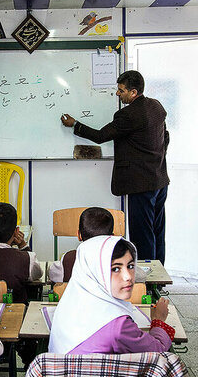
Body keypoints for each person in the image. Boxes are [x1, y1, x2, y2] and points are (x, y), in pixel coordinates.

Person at [61, 70, 169, 263]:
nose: (117, 94)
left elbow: (101, 136)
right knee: (157, 230)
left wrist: (75, 124)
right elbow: (165, 137)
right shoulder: (156, 106)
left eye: (121, 90)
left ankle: (145, 281)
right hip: (160, 180)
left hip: (141, 185)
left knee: (142, 235)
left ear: (133, 92)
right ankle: (158, 279)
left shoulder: (129, 115)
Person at [48, 236, 174, 354]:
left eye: (130, 266)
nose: (128, 277)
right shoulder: (118, 326)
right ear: (96, 271)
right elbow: (158, 351)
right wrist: (158, 319)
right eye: (115, 269)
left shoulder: (68, 303)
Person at [48, 207, 148, 284]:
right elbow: (141, 276)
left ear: (79, 235)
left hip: (79, 310)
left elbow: (51, 274)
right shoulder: (120, 260)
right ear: (111, 237)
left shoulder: (69, 259)